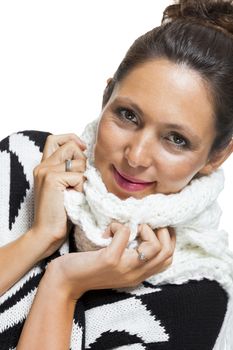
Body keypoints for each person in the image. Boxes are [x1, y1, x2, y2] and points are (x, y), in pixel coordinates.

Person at [1, 0, 233, 349]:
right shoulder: (27, 164)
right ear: (106, 96)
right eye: (128, 116)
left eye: (176, 139)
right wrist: (39, 236)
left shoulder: (197, 298)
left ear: (217, 155)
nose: (136, 157)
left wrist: (64, 284)